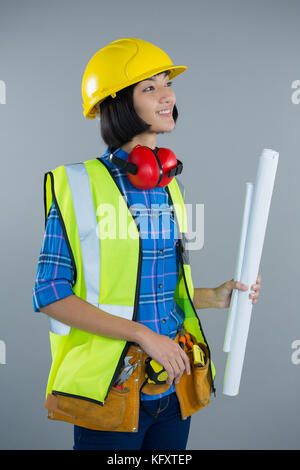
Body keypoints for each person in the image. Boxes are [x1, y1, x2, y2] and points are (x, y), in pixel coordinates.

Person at [32, 38, 261, 451]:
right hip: (112, 391)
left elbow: (152, 286)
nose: (168, 94)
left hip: (172, 387)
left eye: (167, 82)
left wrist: (214, 296)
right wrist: (142, 335)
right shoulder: (77, 186)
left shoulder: (169, 188)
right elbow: (50, 294)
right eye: (149, 87)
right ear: (118, 104)